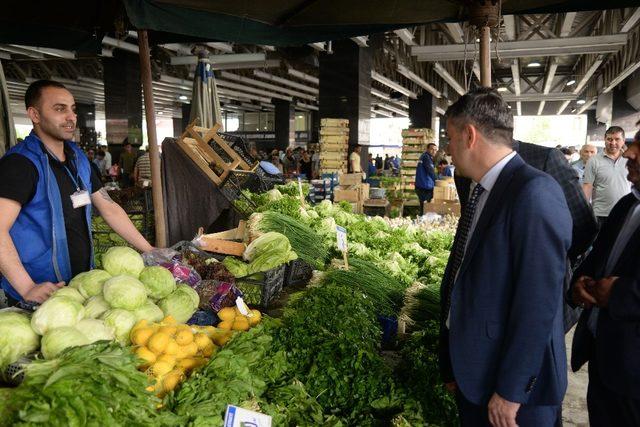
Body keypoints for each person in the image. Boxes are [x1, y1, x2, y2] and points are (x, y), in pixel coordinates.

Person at [440, 88, 571, 426]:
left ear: (469, 135)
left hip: (512, 394)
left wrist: (512, 391)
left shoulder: (533, 192)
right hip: (479, 373)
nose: (447, 150)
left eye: (450, 139)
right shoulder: (482, 189)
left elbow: (539, 303)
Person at [0, 80, 153, 304]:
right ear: (34, 114)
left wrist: (149, 249)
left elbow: (109, 208)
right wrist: (27, 287)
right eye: (59, 109)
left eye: (72, 109)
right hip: (39, 294)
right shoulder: (21, 164)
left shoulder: (78, 159)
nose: (70, 117)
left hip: (81, 285)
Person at [569, 129, 640, 426]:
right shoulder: (627, 204)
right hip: (604, 355)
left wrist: (621, 292)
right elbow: (598, 258)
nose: (628, 153)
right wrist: (578, 283)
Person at [583, 127, 631, 225]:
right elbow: (587, 187)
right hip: (601, 214)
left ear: (623, 141)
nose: (613, 143)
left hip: (626, 213)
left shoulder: (630, 160)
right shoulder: (593, 161)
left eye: (617, 139)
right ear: (604, 140)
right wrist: (584, 212)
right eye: (609, 139)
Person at [415, 142, 437, 207]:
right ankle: (423, 216)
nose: (434, 151)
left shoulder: (425, 156)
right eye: (432, 149)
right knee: (426, 207)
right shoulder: (426, 158)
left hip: (421, 186)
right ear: (427, 149)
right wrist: (437, 181)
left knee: (424, 206)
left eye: (435, 150)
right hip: (424, 188)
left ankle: (422, 216)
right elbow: (431, 171)